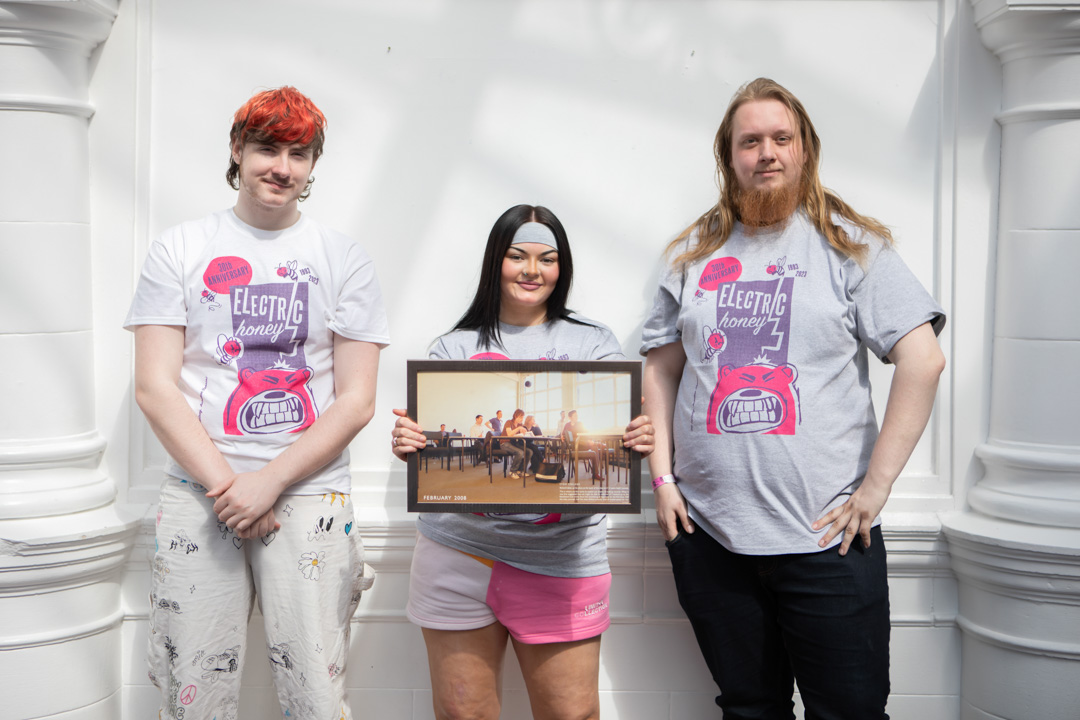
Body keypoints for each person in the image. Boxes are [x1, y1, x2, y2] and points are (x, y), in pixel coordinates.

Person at [641, 78, 946, 720]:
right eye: (749, 141)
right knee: (750, 709)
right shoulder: (692, 253)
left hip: (828, 543)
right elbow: (662, 368)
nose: (767, 153)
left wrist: (876, 489)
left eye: (782, 138)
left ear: (805, 150)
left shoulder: (849, 245)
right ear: (729, 157)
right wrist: (663, 480)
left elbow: (923, 360)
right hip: (711, 536)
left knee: (851, 712)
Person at [125, 86, 389, 720]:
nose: (282, 167)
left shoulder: (343, 257)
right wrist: (229, 487)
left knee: (317, 694)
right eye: (268, 148)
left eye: (299, 153)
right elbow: (154, 387)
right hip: (198, 490)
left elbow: (356, 401)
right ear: (238, 150)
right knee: (194, 690)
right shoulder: (180, 248)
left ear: (313, 165)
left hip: (309, 493)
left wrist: (268, 482)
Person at [391, 204, 653, 720]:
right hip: (458, 555)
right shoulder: (452, 349)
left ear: (562, 268)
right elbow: (436, 447)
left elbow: (617, 430)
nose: (532, 270)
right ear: (497, 261)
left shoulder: (593, 343)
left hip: (562, 560)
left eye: (547, 259)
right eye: (517, 255)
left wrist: (638, 434)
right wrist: (410, 442)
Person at [500, 408, 533, 479]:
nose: (522, 419)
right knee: (520, 452)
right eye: (521, 417)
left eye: (523, 417)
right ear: (516, 416)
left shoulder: (519, 425)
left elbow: (519, 435)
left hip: (513, 443)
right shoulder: (509, 422)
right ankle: (512, 471)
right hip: (505, 443)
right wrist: (518, 429)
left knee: (529, 452)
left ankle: (520, 470)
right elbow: (509, 434)